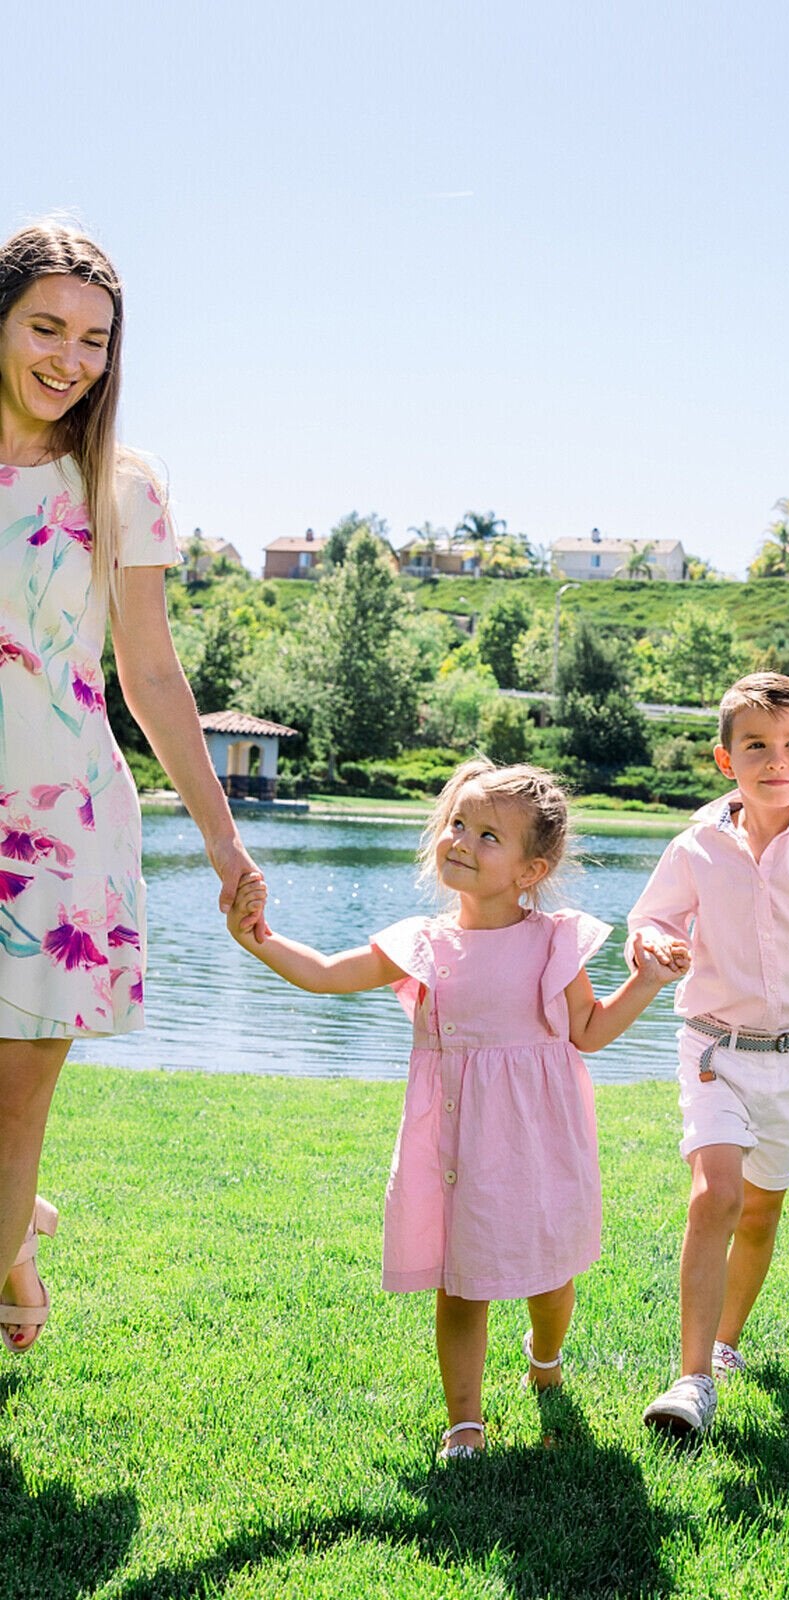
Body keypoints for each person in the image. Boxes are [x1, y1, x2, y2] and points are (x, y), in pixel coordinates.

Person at [226, 759, 687, 1458]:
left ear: (531, 870)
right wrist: (257, 939)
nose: (461, 842)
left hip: (537, 1143)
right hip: (456, 1146)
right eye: (457, 825)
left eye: (488, 836)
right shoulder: (421, 943)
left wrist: (647, 980)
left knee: (550, 1276)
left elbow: (590, 1031)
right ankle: (464, 1422)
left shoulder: (554, 940)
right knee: (461, 1282)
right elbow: (324, 974)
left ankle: (545, 1354)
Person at [0, 222, 267, 1355]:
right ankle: (13, 1239)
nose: (71, 359)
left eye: (95, 340)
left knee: (18, 1098)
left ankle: (7, 1239)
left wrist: (225, 844)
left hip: (63, 824)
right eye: (46, 328)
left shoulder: (124, 482)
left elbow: (150, 673)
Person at [628, 673, 789, 1439]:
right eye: (756, 745)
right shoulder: (696, 845)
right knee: (715, 1196)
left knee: (759, 1212)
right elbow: (649, 917)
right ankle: (690, 1382)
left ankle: (725, 1347)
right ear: (725, 759)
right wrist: (655, 941)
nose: (776, 760)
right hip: (713, 1048)